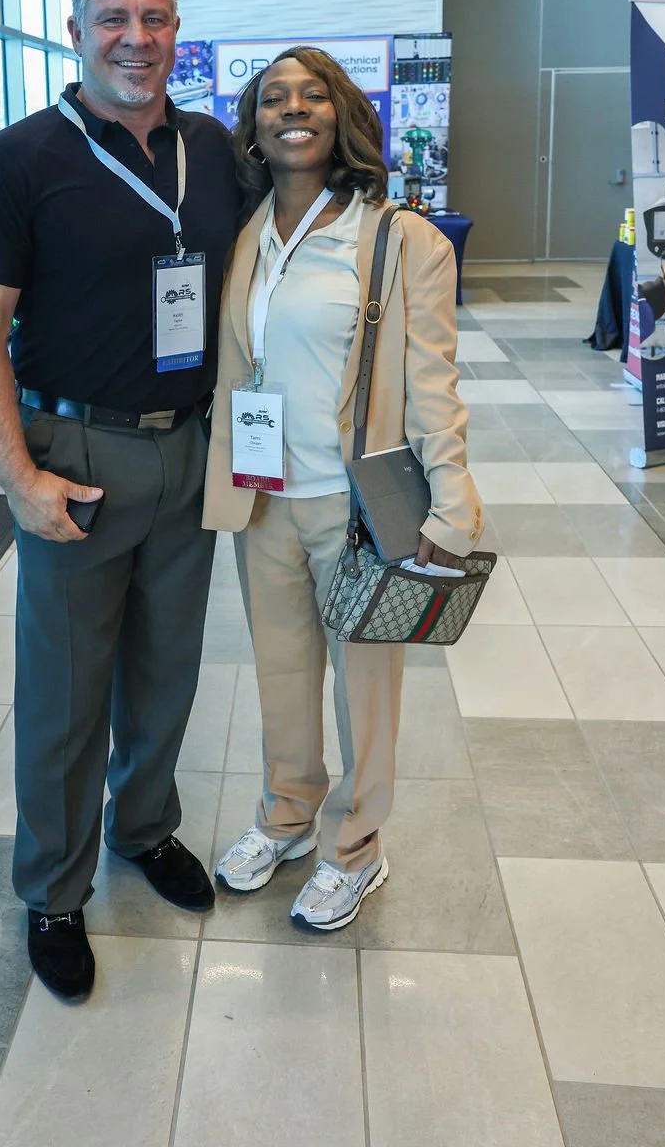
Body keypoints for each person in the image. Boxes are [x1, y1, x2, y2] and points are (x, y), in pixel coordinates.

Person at [0, 0, 240, 1000]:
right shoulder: (18, 161)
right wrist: (19, 475)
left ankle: (144, 830)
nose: (136, 37)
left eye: (154, 18)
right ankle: (54, 890)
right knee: (66, 695)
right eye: (113, 18)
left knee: (166, 673)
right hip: (75, 452)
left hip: (191, 448)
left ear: (176, 31)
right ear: (74, 33)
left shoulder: (215, 152)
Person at [204, 47, 483, 932]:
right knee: (283, 675)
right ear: (252, 124)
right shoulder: (245, 232)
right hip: (263, 495)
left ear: (344, 115)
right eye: (273, 97)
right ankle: (287, 815)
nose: (293, 109)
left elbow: (434, 379)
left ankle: (356, 847)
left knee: (364, 690)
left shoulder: (401, 238)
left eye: (312, 94)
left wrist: (453, 500)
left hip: (357, 507)